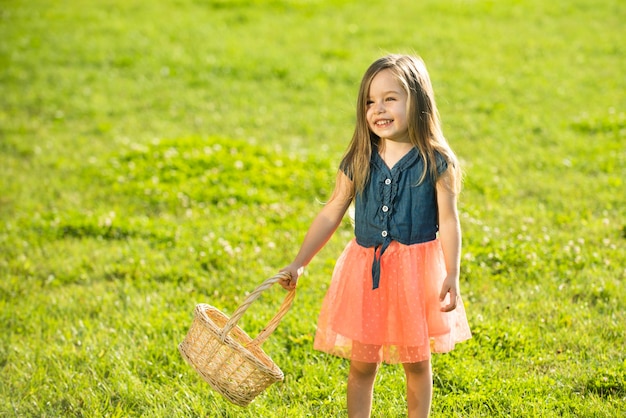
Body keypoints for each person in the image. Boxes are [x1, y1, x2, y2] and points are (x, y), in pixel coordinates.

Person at [279, 54, 471, 418]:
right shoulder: (359, 158)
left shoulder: (437, 162)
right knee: (362, 363)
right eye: (370, 101)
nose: (378, 109)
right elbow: (332, 211)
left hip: (417, 275)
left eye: (390, 98)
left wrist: (452, 271)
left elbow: (449, 220)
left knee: (416, 363)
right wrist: (299, 262)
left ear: (417, 101)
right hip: (367, 274)